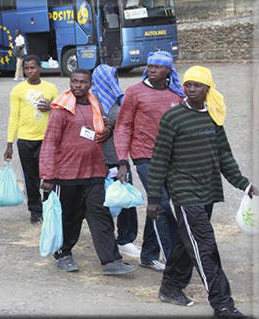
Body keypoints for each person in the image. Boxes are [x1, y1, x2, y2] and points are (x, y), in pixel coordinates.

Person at [147, 66, 258, 319]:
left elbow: (224, 156)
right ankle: (223, 305)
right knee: (205, 246)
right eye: (188, 85)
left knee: (189, 244)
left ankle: (170, 287)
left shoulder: (213, 116)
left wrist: (244, 184)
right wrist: (153, 197)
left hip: (207, 191)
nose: (192, 89)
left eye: (197, 85)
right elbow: (160, 159)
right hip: (185, 193)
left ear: (208, 88)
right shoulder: (173, 118)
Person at [39, 69, 135, 275]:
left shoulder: (95, 105)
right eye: (74, 82)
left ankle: (111, 261)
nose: (78, 86)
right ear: (70, 83)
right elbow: (49, 142)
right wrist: (47, 175)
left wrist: (108, 131)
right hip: (66, 175)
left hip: (94, 172)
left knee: (101, 215)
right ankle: (63, 254)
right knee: (69, 218)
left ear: (90, 84)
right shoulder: (60, 109)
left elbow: (104, 130)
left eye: (83, 82)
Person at [114, 51, 184, 272]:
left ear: (168, 71)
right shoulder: (135, 92)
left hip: (171, 159)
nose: (152, 69)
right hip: (144, 155)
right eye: (150, 65)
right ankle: (175, 260)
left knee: (157, 205)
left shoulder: (177, 95)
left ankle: (148, 255)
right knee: (162, 204)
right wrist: (122, 161)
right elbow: (123, 126)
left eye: (158, 67)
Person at [91, 64, 141, 259]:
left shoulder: (121, 100)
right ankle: (107, 242)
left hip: (119, 159)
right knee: (101, 204)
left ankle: (126, 239)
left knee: (125, 201)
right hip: (96, 161)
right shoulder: (90, 101)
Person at [4, 55, 58, 223]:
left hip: (46, 140)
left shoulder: (51, 88)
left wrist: (51, 107)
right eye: (26, 68)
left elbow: (60, 112)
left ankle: (49, 206)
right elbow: (14, 117)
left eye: (33, 68)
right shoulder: (17, 90)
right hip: (25, 140)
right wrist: (9, 143)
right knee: (30, 176)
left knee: (49, 175)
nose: (29, 71)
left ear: (39, 68)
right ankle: (35, 210)